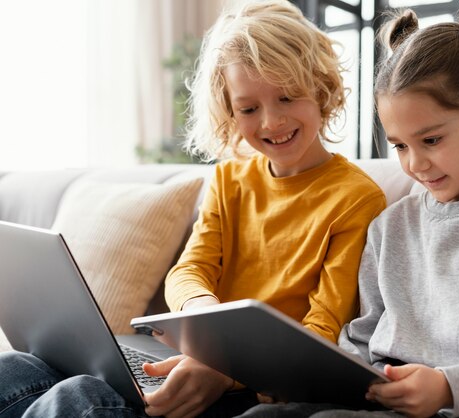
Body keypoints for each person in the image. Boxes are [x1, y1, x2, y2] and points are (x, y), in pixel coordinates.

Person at [0, 1, 386, 417]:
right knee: (12, 368)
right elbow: (188, 271)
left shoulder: (356, 199)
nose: (271, 122)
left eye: (287, 97)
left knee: (75, 397)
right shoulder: (230, 180)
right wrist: (203, 316)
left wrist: (224, 369)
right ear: (228, 111)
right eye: (248, 108)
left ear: (322, 87)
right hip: (197, 360)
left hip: (249, 387)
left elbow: (323, 334)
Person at [238, 0, 459, 417]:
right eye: (400, 146)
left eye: (431, 140)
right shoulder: (391, 226)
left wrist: (449, 387)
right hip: (379, 401)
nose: (414, 164)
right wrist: (337, 376)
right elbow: (363, 335)